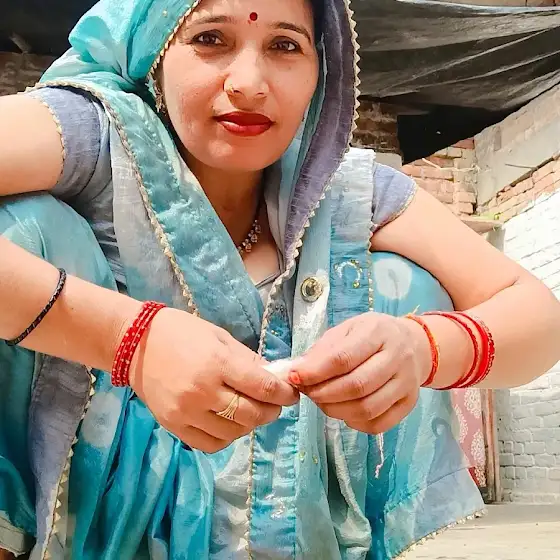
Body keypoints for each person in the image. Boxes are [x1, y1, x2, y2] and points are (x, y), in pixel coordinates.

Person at [1, 0, 559, 558]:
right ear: (154, 52)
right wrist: (130, 340)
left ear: (322, 70)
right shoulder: (93, 137)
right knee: (25, 228)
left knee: (402, 284)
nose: (248, 84)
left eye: (285, 45)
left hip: (302, 534)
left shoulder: (345, 193)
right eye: (210, 39)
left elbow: (536, 315)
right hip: (79, 525)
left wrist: (421, 348)